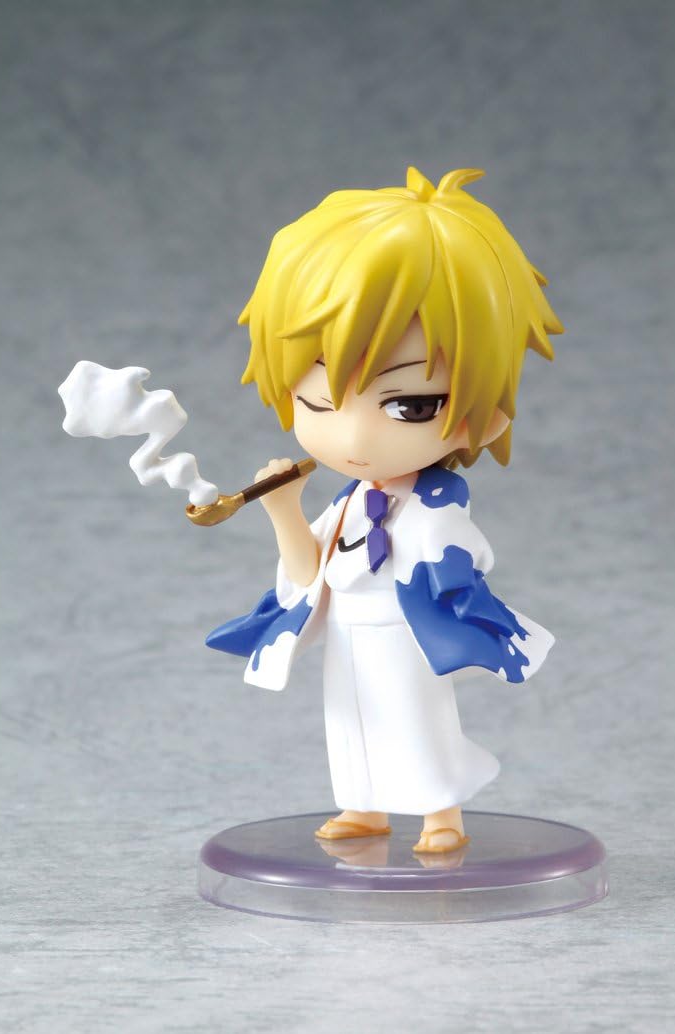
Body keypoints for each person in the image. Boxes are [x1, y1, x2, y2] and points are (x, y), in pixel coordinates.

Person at [207, 166, 563, 853]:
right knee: (350, 722)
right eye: (317, 402)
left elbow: (460, 567)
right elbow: (306, 575)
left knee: (415, 721)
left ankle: (440, 815)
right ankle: (363, 808)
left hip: (404, 633)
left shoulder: (433, 509)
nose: (353, 438)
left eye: (409, 406)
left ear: (482, 414)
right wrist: (283, 510)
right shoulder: (346, 504)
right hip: (349, 634)